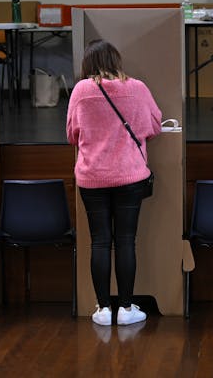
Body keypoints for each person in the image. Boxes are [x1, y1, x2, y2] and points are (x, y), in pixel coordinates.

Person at [66, 39, 162, 327]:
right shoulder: (138, 88)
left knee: (99, 241)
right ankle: (127, 307)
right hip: (130, 176)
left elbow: (72, 133)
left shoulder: (81, 90)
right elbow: (154, 126)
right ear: (116, 60)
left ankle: (104, 309)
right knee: (125, 241)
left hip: (92, 177)